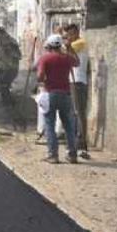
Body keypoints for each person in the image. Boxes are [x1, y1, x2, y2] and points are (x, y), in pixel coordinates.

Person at [38, 33, 80, 164]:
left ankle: (53, 155)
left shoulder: (45, 59)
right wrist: (70, 49)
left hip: (50, 93)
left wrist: (42, 81)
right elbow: (77, 62)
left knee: (50, 124)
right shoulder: (67, 58)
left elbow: (40, 76)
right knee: (68, 125)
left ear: (49, 46)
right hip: (65, 95)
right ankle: (72, 155)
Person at [64, 23, 90, 159]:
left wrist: (66, 43)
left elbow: (65, 50)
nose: (69, 37)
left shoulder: (80, 43)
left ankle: (82, 145)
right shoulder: (74, 44)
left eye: (71, 34)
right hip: (73, 81)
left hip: (78, 82)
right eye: (68, 34)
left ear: (76, 32)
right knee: (73, 114)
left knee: (79, 114)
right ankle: (75, 141)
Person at [0, 27, 22, 107]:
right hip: (3, 67)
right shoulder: (1, 42)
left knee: (3, 84)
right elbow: (0, 55)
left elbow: (18, 56)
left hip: (11, 68)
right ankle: (6, 102)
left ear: (2, 33)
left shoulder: (11, 42)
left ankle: (9, 103)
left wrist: (9, 51)